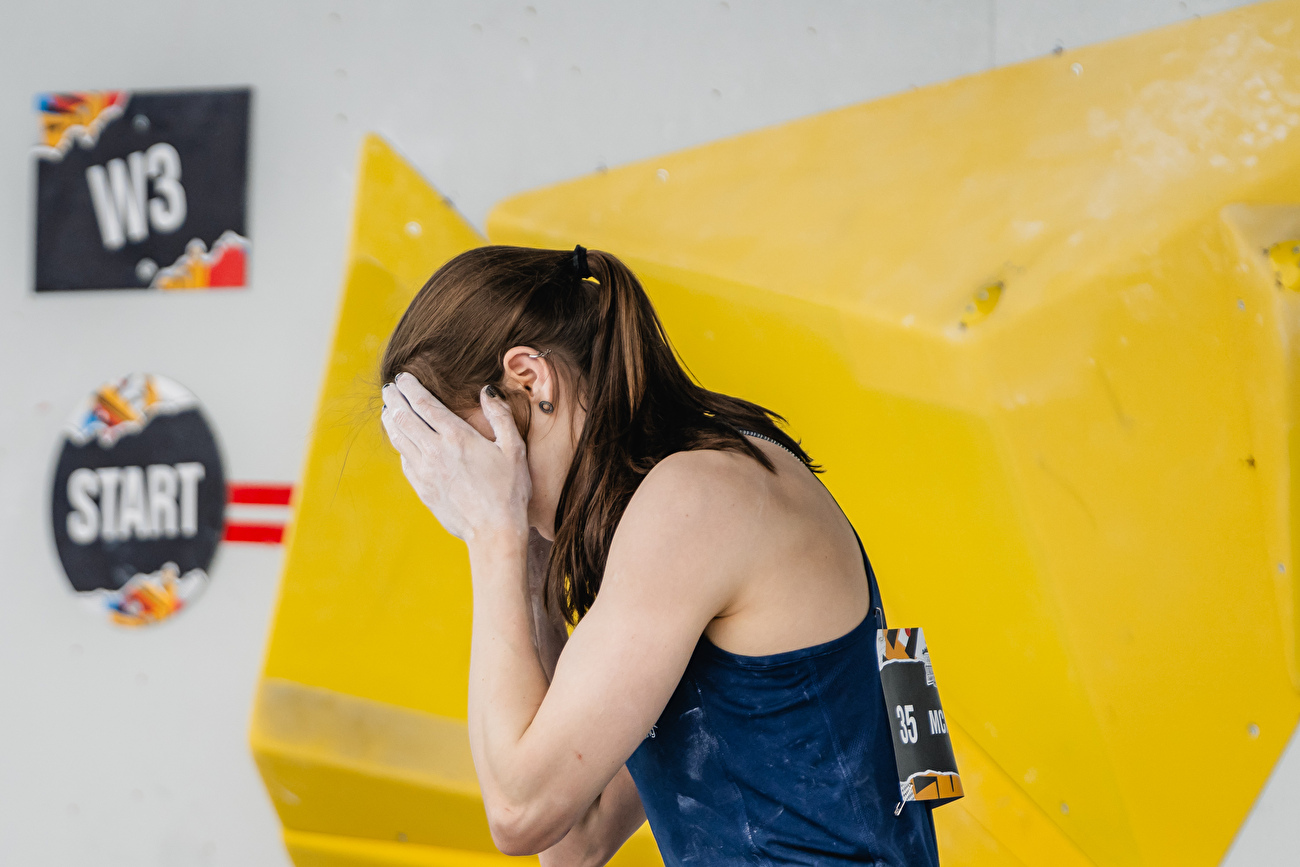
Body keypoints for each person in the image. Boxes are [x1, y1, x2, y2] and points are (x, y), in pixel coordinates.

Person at [379, 245, 940, 866]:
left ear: (531, 380)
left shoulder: (695, 501)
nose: (459, 481)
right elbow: (576, 843)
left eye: (460, 446)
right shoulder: (688, 498)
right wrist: (528, 561)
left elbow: (519, 815)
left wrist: (493, 537)